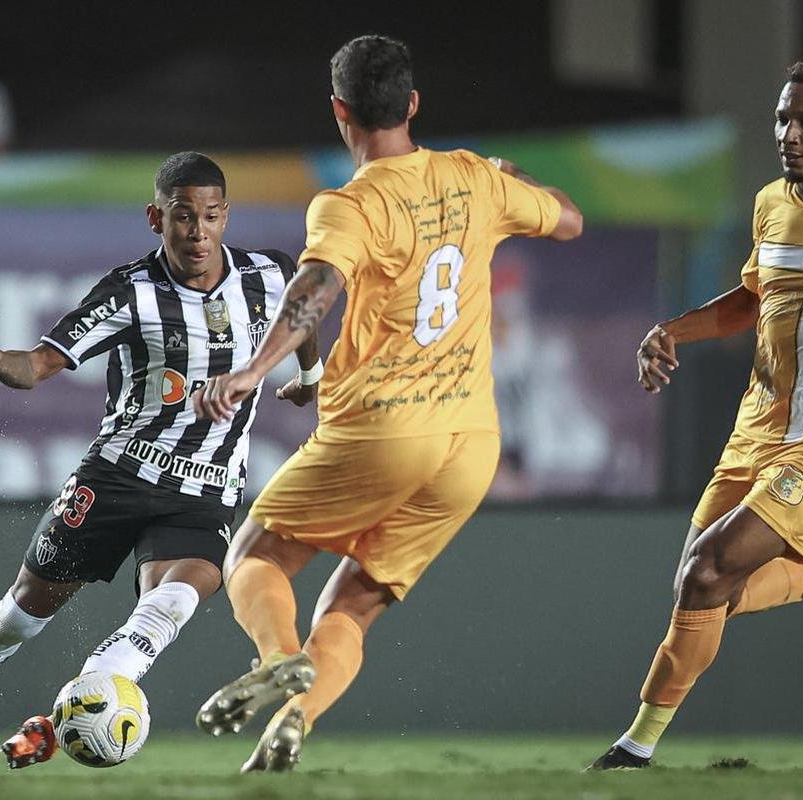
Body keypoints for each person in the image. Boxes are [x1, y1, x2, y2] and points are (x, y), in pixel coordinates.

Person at [192, 35, 583, 773]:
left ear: (340, 111)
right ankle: (296, 719)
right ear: (411, 104)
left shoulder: (350, 203)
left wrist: (253, 369)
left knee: (257, 552)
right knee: (354, 605)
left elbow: (315, 289)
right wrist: (508, 173)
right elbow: (569, 220)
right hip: (471, 447)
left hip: (384, 429)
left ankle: (280, 661)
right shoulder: (476, 178)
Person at [0, 151, 321, 777]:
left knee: (175, 601)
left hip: (206, 490)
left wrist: (310, 375)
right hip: (117, 477)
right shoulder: (129, 291)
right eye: (183, 217)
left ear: (225, 217)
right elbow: (39, 365)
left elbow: (306, 308)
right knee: (18, 618)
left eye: (211, 217)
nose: (198, 232)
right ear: (155, 217)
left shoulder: (269, 275)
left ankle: (70, 715)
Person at [588, 59, 803, 770]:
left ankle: (632, 752)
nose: (789, 133)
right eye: (781, 118)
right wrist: (670, 331)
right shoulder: (772, 203)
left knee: (708, 572)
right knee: (705, 591)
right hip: (757, 427)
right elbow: (750, 300)